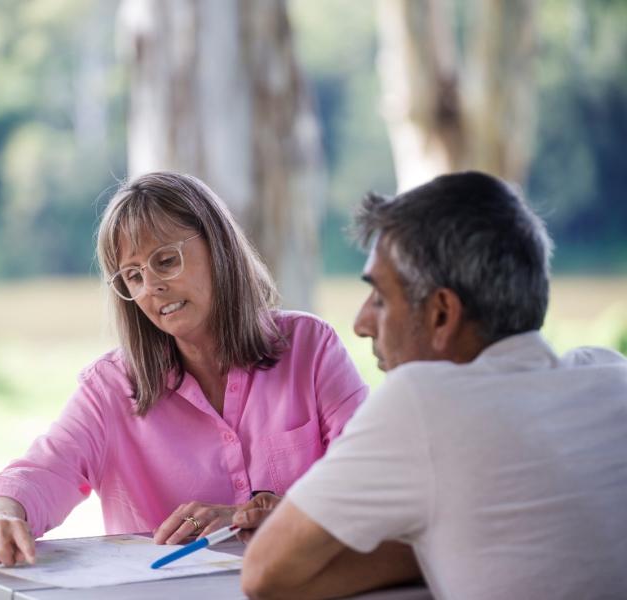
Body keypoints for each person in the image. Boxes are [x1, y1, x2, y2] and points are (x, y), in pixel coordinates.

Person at [237, 171, 627, 599]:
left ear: (442, 314)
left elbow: (265, 573)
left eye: (381, 299)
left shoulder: (422, 402)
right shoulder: (611, 375)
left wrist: (425, 542)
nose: (362, 323)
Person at [0, 171, 369, 566]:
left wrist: (263, 514)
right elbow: (42, 473)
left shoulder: (310, 348)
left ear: (219, 248)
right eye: (133, 276)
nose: (150, 287)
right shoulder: (110, 387)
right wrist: (2, 511)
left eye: (165, 261)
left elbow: (369, 482)